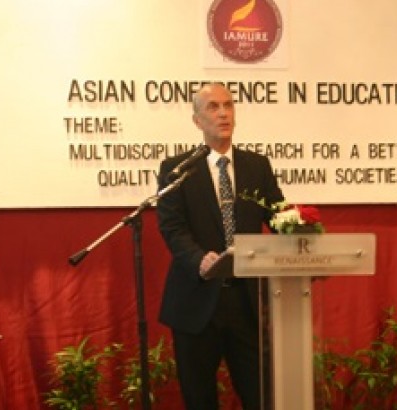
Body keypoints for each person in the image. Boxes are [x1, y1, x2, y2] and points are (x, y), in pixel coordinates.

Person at [156, 83, 284, 409]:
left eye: (228, 105)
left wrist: (303, 239)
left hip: (246, 303)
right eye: (213, 107)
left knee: (261, 397)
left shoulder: (257, 166)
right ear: (197, 120)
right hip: (197, 301)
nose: (223, 113)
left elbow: (280, 218)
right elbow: (172, 227)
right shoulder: (177, 169)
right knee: (199, 400)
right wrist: (199, 259)